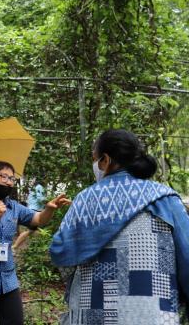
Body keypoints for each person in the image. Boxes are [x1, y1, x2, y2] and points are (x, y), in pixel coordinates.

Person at [50, 129, 189, 325]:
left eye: (95, 158)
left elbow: (61, 253)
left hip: (94, 315)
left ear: (105, 160)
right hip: (154, 315)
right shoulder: (165, 198)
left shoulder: (85, 200)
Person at [0, 161, 70, 325]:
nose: (9, 182)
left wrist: (50, 209)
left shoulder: (14, 207)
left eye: (12, 178)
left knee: (15, 321)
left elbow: (38, 219)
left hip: (7, 277)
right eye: (4, 177)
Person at [12, 181, 46, 251]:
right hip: (35, 211)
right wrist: (49, 202)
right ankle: (15, 246)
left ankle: (34, 247)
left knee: (32, 230)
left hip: (31, 209)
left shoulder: (34, 188)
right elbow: (41, 199)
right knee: (30, 231)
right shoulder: (40, 187)